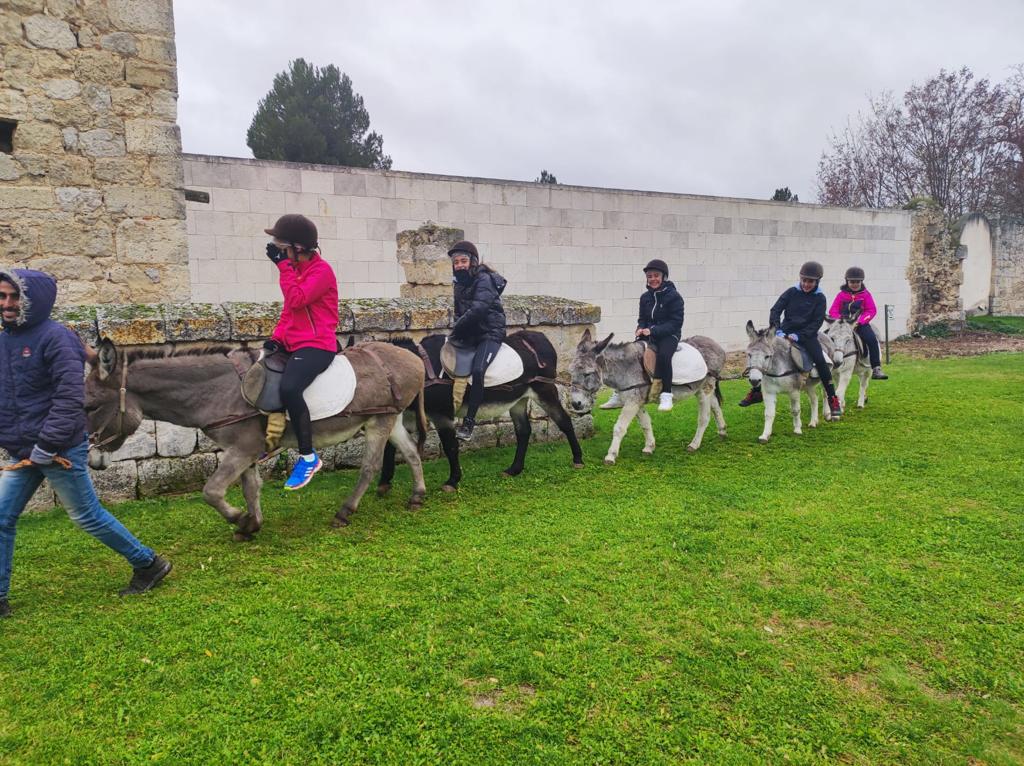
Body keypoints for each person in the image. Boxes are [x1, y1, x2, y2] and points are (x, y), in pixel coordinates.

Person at [0, 268, 171, 617]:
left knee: (86, 516)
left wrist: (47, 446)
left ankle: (148, 563)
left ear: (33, 300)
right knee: (1, 518)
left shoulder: (57, 338)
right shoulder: (5, 341)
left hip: (59, 448)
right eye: (2, 296)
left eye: (14, 296)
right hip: (25, 451)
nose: (7, 303)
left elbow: (68, 399)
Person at [263, 214, 340, 490]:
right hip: (294, 343)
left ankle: (308, 457)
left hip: (318, 344)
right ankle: (272, 438)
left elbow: (296, 299)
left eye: (282, 247)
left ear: (298, 248)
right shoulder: (295, 270)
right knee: (260, 375)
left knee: (290, 388)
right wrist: (276, 339)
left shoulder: (321, 272)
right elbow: (289, 312)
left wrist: (283, 267)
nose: (278, 253)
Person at [738, 261, 843, 419]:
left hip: (807, 336)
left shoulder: (820, 298)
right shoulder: (791, 292)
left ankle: (832, 399)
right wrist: (777, 329)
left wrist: (800, 336)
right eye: (804, 280)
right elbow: (775, 310)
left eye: (810, 281)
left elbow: (817, 322)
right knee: (764, 353)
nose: (806, 284)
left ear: (817, 282)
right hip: (784, 332)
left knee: (821, 361)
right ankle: (756, 391)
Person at [604, 259, 684, 412]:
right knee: (629, 353)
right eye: (649, 276)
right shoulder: (644, 297)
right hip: (649, 334)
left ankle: (666, 394)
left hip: (669, 335)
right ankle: (618, 393)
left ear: (664, 277)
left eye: (656, 275)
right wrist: (640, 328)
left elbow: (675, 323)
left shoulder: (674, 297)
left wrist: (653, 330)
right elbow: (642, 319)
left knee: (664, 356)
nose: (653, 279)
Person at [447, 241, 507, 441]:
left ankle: (469, 422)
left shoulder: (484, 279)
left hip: (490, 333)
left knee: (479, 370)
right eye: (456, 262)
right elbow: (458, 312)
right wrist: (456, 330)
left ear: (472, 261)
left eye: (463, 261)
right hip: (470, 334)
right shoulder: (459, 284)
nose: (459, 265)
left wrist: (456, 329)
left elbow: (478, 310)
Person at [828, 266, 889, 380]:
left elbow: (871, 310)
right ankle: (824, 364)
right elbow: (833, 310)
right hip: (843, 325)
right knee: (825, 337)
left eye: (857, 282)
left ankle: (876, 368)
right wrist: (840, 320)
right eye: (852, 282)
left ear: (861, 282)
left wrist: (860, 321)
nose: (855, 284)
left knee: (871, 339)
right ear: (847, 281)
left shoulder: (866, 295)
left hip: (860, 324)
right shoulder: (841, 295)